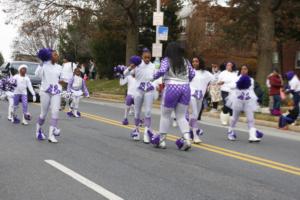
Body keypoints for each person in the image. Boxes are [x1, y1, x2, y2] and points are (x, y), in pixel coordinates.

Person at [151, 42, 195, 151]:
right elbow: (192, 74)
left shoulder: (167, 60)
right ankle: (187, 139)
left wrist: (152, 77)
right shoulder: (186, 61)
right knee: (181, 116)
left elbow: (161, 71)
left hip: (171, 87)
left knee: (165, 114)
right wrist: (185, 81)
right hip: (185, 88)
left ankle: (162, 140)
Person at [123, 49, 156, 143]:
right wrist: (130, 67)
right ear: (142, 57)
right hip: (138, 91)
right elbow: (125, 74)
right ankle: (136, 131)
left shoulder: (153, 66)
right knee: (137, 112)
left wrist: (155, 85)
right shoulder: (137, 65)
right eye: (145, 57)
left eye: (149, 57)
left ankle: (146, 133)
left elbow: (157, 78)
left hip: (149, 90)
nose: (147, 59)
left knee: (148, 112)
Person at [226, 66, 264, 142]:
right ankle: (230, 131)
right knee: (234, 118)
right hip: (238, 100)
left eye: (245, 69)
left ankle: (252, 136)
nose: (243, 70)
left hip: (248, 100)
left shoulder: (251, 79)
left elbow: (250, 88)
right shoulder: (236, 78)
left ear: (248, 70)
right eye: (242, 69)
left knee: (250, 119)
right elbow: (231, 86)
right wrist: (238, 84)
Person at [35, 48, 63, 143]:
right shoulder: (44, 66)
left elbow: (62, 79)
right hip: (45, 92)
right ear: (49, 56)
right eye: (55, 54)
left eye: (57, 54)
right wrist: (41, 63)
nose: (57, 56)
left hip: (56, 92)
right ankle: (38, 130)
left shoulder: (59, 67)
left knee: (55, 112)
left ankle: (51, 135)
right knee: (43, 114)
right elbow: (37, 75)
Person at [189, 56, 213, 144]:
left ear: (200, 62)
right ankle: (195, 136)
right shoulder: (190, 72)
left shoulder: (206, 73)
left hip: (200, 97)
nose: (194, 63)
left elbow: (214, 80)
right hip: (191, 95)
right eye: (193, 61)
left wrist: (220, 82)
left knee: (194, 116)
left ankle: (188, 131)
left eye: (196, 61)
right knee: (194, 114)